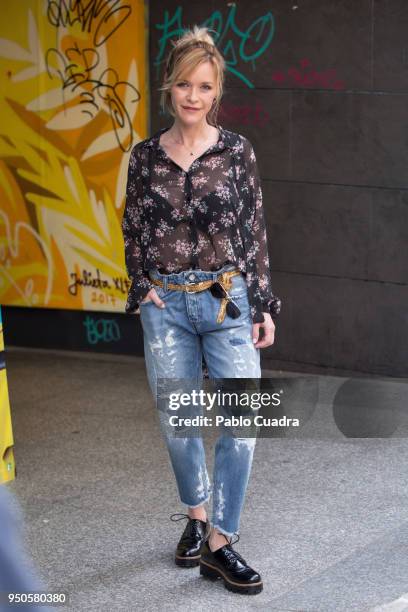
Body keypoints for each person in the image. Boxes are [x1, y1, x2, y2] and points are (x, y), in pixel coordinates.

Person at [121, 25, 281, 595]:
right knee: (180, 422)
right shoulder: (145, 157)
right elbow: (133, 226)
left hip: (226, 298)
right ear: (170, 88)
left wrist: (263, 304)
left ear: (218, 93)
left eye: (205, 86)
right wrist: (140, 286)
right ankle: (196, 518)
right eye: (185, 84)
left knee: (242, 422)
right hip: (166, 304)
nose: (193, 96)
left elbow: (254, 228)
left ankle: (221, 540)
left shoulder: (236, 152)